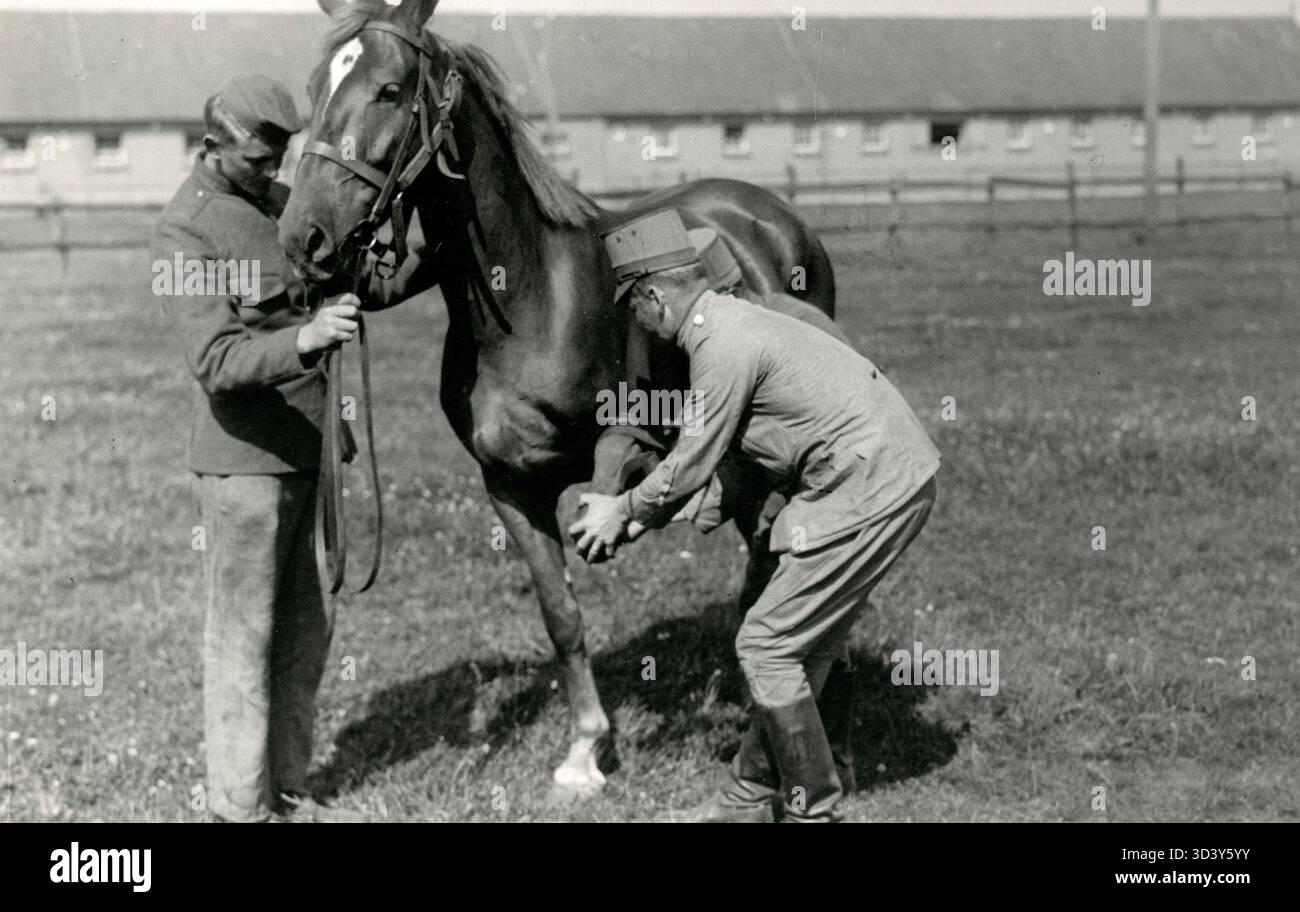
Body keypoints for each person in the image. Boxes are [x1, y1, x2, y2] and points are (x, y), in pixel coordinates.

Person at [570, 209, 941, 822]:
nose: (631, 322)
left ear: (655, 297)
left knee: (767, 645)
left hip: (870, 488)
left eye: (630, 307)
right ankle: (747, 800)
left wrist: (622, 507)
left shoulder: (720, 344)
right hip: (883, 480)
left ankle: (811, 812)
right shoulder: (730, 327)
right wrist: (641, 521)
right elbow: (740, 469)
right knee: (804, 648)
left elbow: (691, 461)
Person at [153, 73, 368, 823]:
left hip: (309, 452)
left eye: (279, 157)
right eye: (256, 159)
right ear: (213, 148)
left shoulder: (280, 208)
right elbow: (215, 360)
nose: (272, 172)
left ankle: (289, 787)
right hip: (243, 465)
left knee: (306, 637)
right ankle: (239, 809)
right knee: (243, 641)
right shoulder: (187, 230)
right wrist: (305, 338)